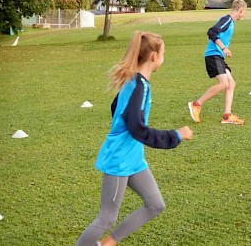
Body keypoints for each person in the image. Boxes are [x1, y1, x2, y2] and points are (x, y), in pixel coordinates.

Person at [76, 31, 193, 246]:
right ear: (154, 57)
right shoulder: (138, 86)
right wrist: (175, 135)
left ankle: (106, 244)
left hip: (133, 158)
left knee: (155, 204)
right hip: (120, 159)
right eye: (163, 53)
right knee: (107, 217)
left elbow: (116, 108)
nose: (164, 58)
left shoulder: (136, 82)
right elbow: (138, 128)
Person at [188, 0, 247, 125]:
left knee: (231, 83)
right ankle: (196, 104)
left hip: (218, 56)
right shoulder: (227, 20)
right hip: (213, 55)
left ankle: (227, 116)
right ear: (241, 10)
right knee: (224, 83)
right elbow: (212, 32)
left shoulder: (229, 21)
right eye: (245, 12)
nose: (244, 15)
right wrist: (224, 48)